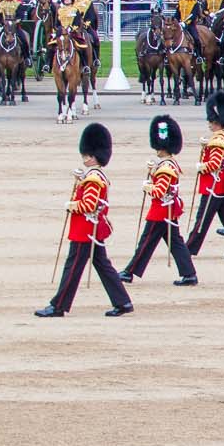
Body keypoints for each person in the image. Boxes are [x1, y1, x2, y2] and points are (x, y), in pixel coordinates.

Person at [37, 122, 134, 318]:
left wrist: (72, 205)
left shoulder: (93, 178)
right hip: (91, 229)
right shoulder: (92, 176)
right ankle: (122, 301)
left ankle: (59, 305)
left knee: (72, 268)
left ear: (93, 156)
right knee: (103, 266)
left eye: (86, 155)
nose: (84, 158)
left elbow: (89, 204)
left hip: (85, 229)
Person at [122, 114, 197, 287]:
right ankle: (189, 274)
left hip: (161, 211)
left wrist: (148, 186)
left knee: (146, 242)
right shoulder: (168, 164)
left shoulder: (165, 168)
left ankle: (129, 272)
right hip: (168, 210)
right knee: (176, 243)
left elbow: (159, 191)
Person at [186, 91, 224, 259]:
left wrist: (201, 167)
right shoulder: (223, 138)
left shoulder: (218, 141)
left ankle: (189, 248)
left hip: (213, 185)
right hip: (221, 185)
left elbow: (214, 164)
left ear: (216, 121)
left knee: (202, 219)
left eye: (211, 121)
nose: (209, 123)